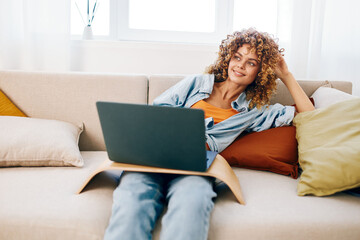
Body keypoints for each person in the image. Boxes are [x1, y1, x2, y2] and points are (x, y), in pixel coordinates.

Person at [104, 28, 314, 240]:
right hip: (156, 158)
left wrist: (286, 76)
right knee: (131, 199)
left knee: (192, 204)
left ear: (261, 72)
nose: (240, 65)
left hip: (198, 167)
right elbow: (157, 113)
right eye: (237, 57)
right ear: (228, 58)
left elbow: (310, 116)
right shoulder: (197, 83)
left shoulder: (254, 110)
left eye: (251, 62)